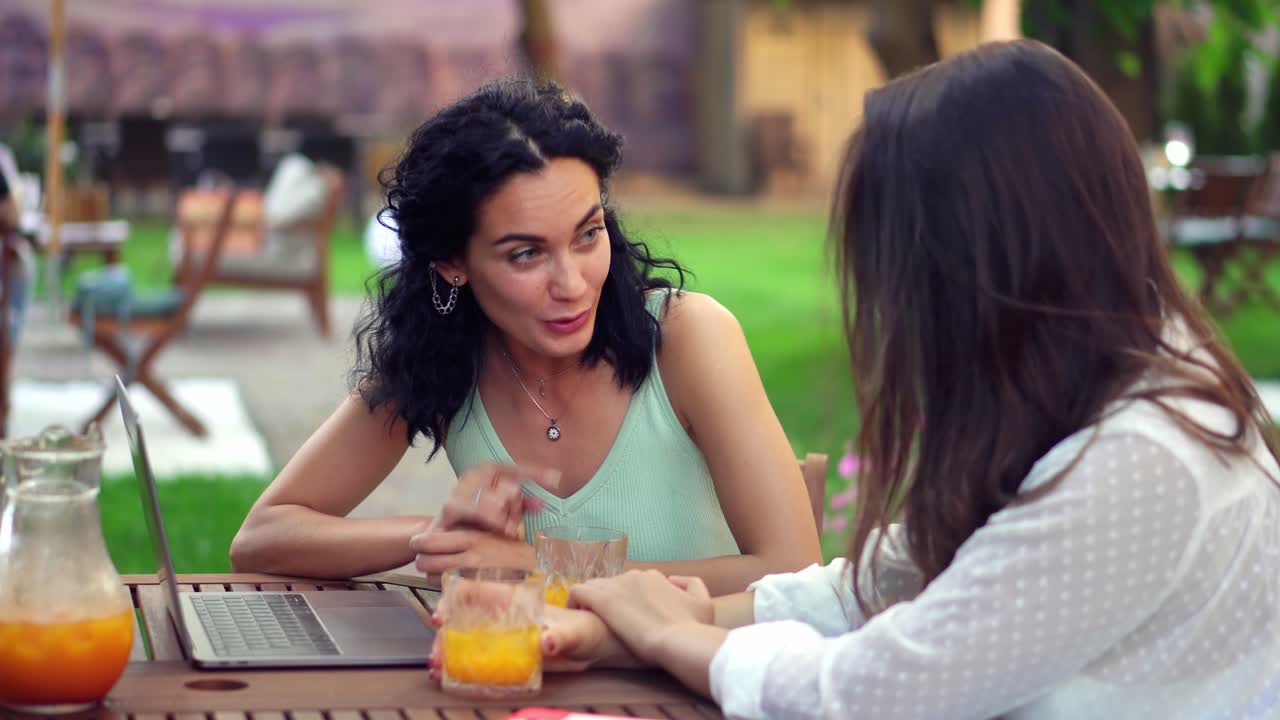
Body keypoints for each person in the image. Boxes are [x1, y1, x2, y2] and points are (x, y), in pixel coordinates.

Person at [518, 40, 1280, 719]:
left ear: (979, 260)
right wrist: (679, 624)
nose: (888, 299)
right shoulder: (1106, 378)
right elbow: (899, 579)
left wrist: (667, 633)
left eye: (895, 260)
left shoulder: (1146, 455)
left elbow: (875, 692)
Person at [229, 79, 822, 594]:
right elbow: (264, 534)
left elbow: (794, 571)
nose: (571, 284)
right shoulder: (443, 360)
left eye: (588, 235)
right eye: (526, 254)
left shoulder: (688, 338)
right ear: (452, 264)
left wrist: (547, 565)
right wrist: (433, 536)